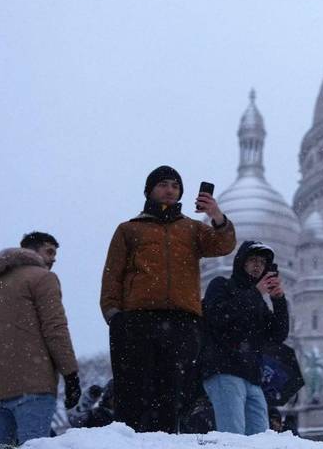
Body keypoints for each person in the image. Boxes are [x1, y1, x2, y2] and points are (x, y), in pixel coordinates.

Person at [100, 166, 236, 432]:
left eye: (175, 185)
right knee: (133, 388)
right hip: (137, 318)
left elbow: (223, 245)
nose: (170, 190)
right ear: (150, 190)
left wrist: (215, 215)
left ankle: (165, 446)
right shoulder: (129, 229)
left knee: (173, 390)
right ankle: (129, 445)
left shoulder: (192, 229)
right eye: (163, 184)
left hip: (182, 320)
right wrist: (113, 314)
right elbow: (112, 273)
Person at [200, 240, 289, 435]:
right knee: (233, 437)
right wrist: (255, 293)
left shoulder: (258, 301)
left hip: (252, 378)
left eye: (262, 262)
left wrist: (278, 300)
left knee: (261, 441)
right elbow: (220, 317)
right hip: (224, 371)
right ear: (241, 262)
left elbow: (278, 335)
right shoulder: (221, 285)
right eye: (253, 260)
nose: (258, 265)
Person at [0, 233, 79, 446]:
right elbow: (55, 329)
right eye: (50, 251)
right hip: (33, 385)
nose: (54, 258)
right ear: (31, 251)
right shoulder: (42, 278)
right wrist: (71, 374)